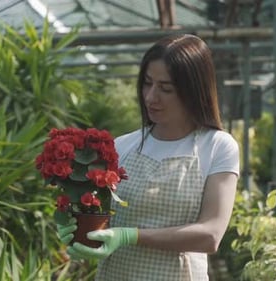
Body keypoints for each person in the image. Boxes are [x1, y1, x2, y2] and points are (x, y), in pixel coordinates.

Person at [57, 33, 240, 280]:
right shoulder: (123, 146)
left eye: (166, 88)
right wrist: (79, 230)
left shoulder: (217, 146)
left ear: (193, 90)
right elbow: (103, 219)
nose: (151, 97)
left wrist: (130, 236)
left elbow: (211, 235)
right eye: (147, 83)